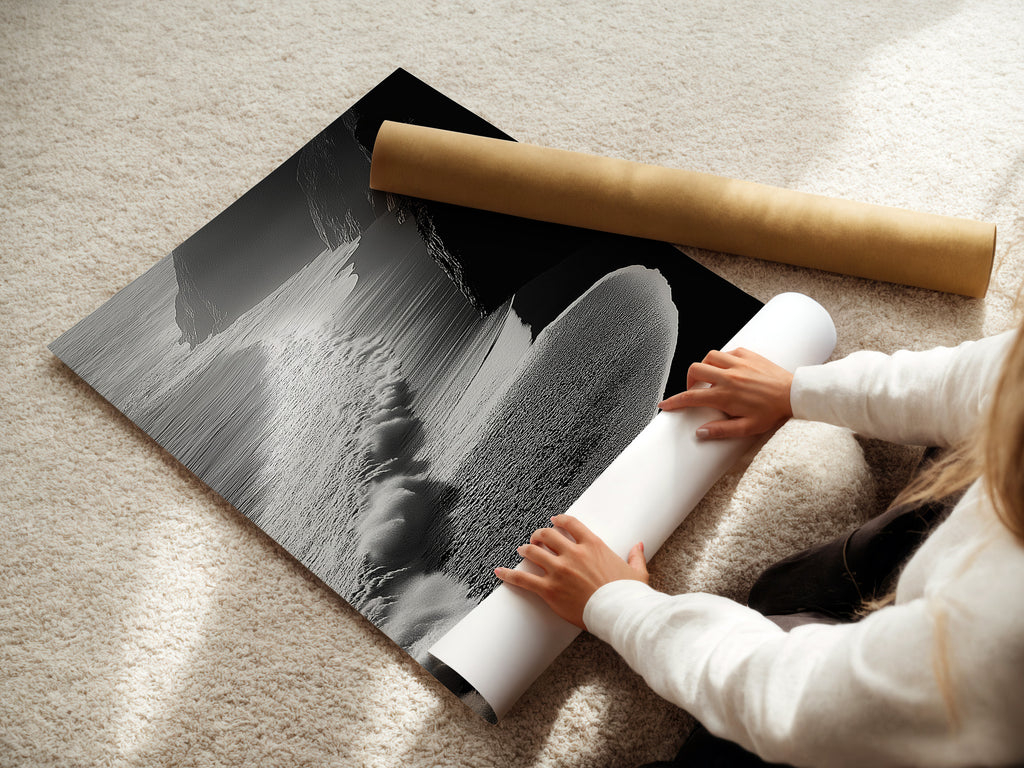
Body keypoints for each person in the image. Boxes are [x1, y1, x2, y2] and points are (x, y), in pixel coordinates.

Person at [494, 324, 1024, 767]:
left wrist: (618, 604)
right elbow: (980, 379)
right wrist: (796, 390)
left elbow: (796, 700)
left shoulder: (998, 637)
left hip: (941, 714)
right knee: (785, 591)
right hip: (954, 592)